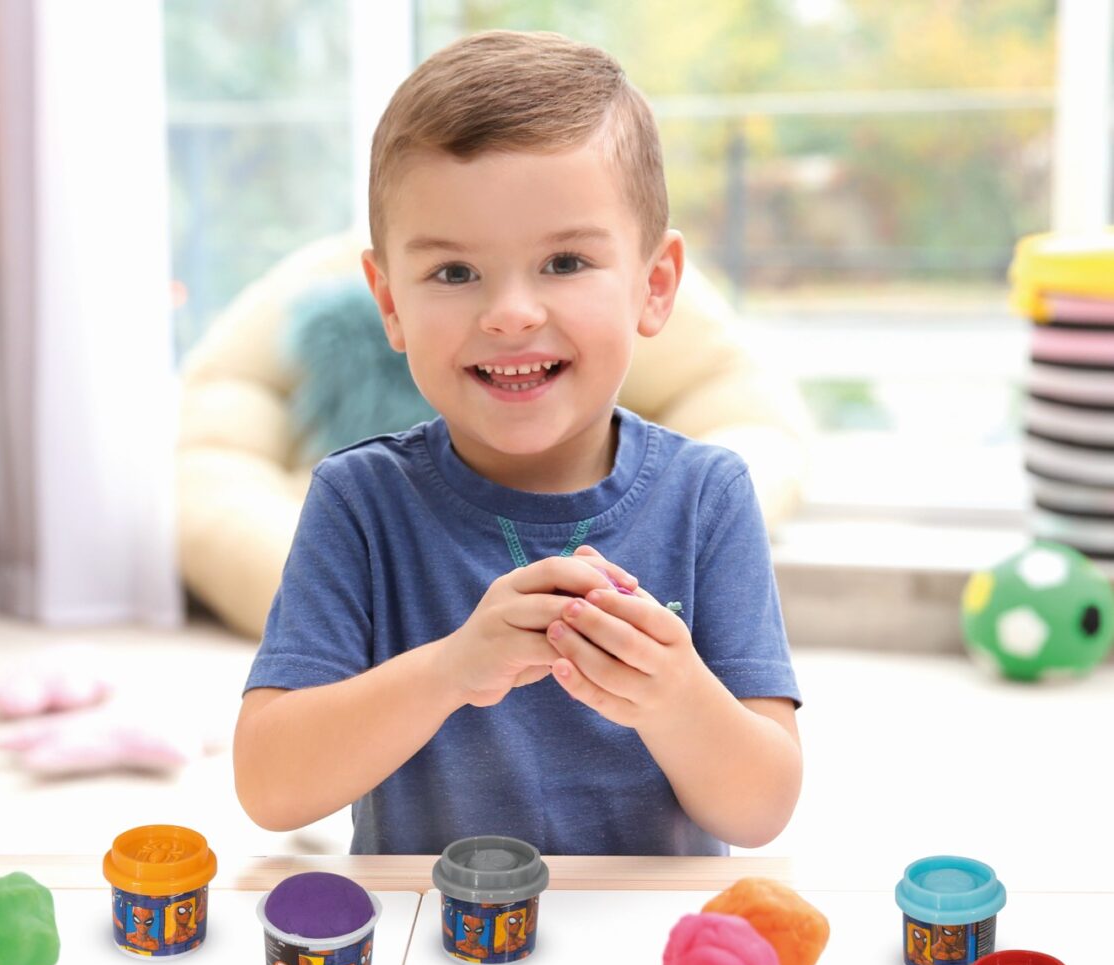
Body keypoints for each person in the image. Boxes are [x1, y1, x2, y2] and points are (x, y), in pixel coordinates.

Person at [234, 29, 802, 855]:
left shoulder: (706, 495)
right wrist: (450, 670)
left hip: (645, 958)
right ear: (389, 304)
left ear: (655, 286)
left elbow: (760, 812)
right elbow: (270, 787)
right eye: (455, 273)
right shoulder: (360, 502)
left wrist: (676, 696)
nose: (510, 313)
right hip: (429, 948)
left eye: (565, 261)